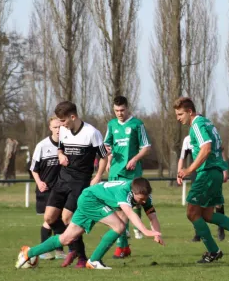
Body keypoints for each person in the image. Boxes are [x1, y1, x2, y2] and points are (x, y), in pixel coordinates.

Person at [174, 97, 229, 263]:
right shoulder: (208, 123)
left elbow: (206, 148)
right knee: (207, 214)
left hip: (207, 173)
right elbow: (219, 147)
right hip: (216, 172)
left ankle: (213, 251)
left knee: (191, 212)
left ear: (190, 112)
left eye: (180, 114)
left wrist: (189, 169)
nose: (178, 118)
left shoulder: (196, 125)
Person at [16, 178, 163, 270]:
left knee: (66, 238)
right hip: (91, 200)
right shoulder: (124, 191)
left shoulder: (143, 194)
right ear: (133, 192)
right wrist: (145, 231)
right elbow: (130, 213)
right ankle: (94, 261)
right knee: (119, 226)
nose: (143, 202)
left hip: (89, 197)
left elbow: (153, 216)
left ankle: (29, 253)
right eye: (140, 199)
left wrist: (156, 233)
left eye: (145, 199)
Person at [43, 101, 108, 268]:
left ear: (73, 117)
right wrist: (60, 155)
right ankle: (72, 246)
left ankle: (80, 256)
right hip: (62, 179)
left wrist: (98, 176)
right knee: (49, 218)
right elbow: (60, 148)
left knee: (67, 217)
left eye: (63, 121)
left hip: (80, 181)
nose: (60, 125)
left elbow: (103, 157)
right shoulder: (64, 131)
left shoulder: (92, 133)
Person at [104, 95, 152, 258]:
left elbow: (146, 147)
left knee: (125, 210)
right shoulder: (111, 125)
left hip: (131, 175)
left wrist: (135, 159)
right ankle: (123, 246)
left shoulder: (137, 124)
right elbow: (107, 145)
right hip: (115, 173)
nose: (119, 113)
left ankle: (122, 247)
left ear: (128, 108)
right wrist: (108, 157)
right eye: (116, 110)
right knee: (117, 210)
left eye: (122, 110)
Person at [30, 117, 67, 260]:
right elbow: (34, 168)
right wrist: (39, 182)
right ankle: (45, 250)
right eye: (55, 127)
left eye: (60, 127)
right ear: (50, 128)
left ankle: (58, 251)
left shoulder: (67, 144)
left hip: (61, 189)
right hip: (46, 189)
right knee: (50, 220)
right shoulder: (42, 145)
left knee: (60, 219)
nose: (58, 130)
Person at [178, 135, 227, 242]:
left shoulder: (210, 134)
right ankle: (198, 233)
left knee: (217, 203)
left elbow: (221, 152)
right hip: (197, 174)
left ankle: (221, 228)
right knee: (196, 205)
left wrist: (225, 170)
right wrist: (179, 172)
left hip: (213, 171)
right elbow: (182, 157)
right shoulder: (187, 139)